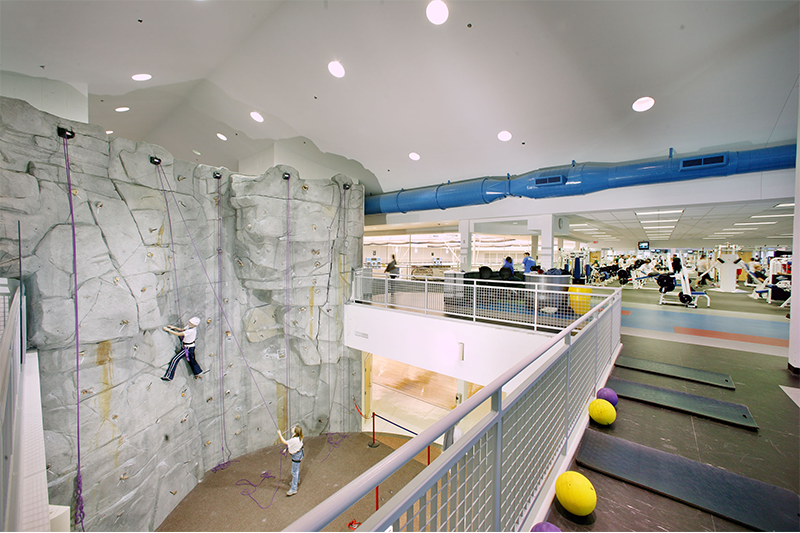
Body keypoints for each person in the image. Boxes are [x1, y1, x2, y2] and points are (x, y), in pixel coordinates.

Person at [161, 317, 204, 381]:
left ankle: (169, 376)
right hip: (191, 346)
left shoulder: (191, 331)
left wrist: (168, 330)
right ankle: (197, 372)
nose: (189, 323)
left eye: (191, 323)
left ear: (195, 325)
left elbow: (178, 334)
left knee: (175, 359)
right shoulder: (190, 327)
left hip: (187, 348)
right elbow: (182, 329)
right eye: (189, 322)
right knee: (192, 360)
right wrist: (173, 327)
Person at [278, 426, 304, 496]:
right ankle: (296, 481)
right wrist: (287, 449)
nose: (291, 428)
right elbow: (291, 445)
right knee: (296, 469)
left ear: (295, 432)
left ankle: (293, 489)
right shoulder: (297, 437)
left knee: (294, 472)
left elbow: (284, 442)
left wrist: (279, 434)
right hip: (299, 453)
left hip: (296, 456)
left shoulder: (294, 439)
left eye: (293, 428)